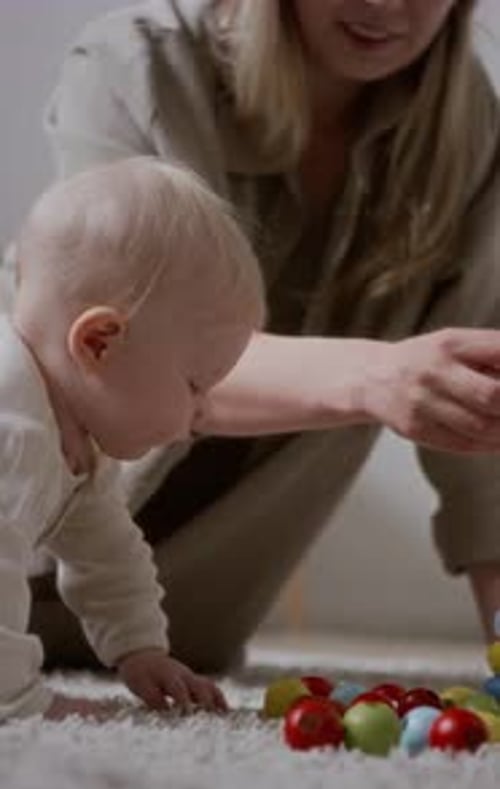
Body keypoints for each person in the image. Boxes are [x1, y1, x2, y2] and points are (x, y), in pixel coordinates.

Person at [24, 0, 500, 673]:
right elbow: (129, 354)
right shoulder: (140, 65)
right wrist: (377, 376)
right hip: (23, 551)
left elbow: (482, 432)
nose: (389, 4)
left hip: (184, 625)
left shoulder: (469, 131)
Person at [0, 155, 264, 721]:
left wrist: (139, 649)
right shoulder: (12, 429)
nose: (202, 410)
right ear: (99, 342)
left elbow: (107, 552)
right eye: (194, 384)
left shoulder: (77, 438)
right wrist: (16, 698)